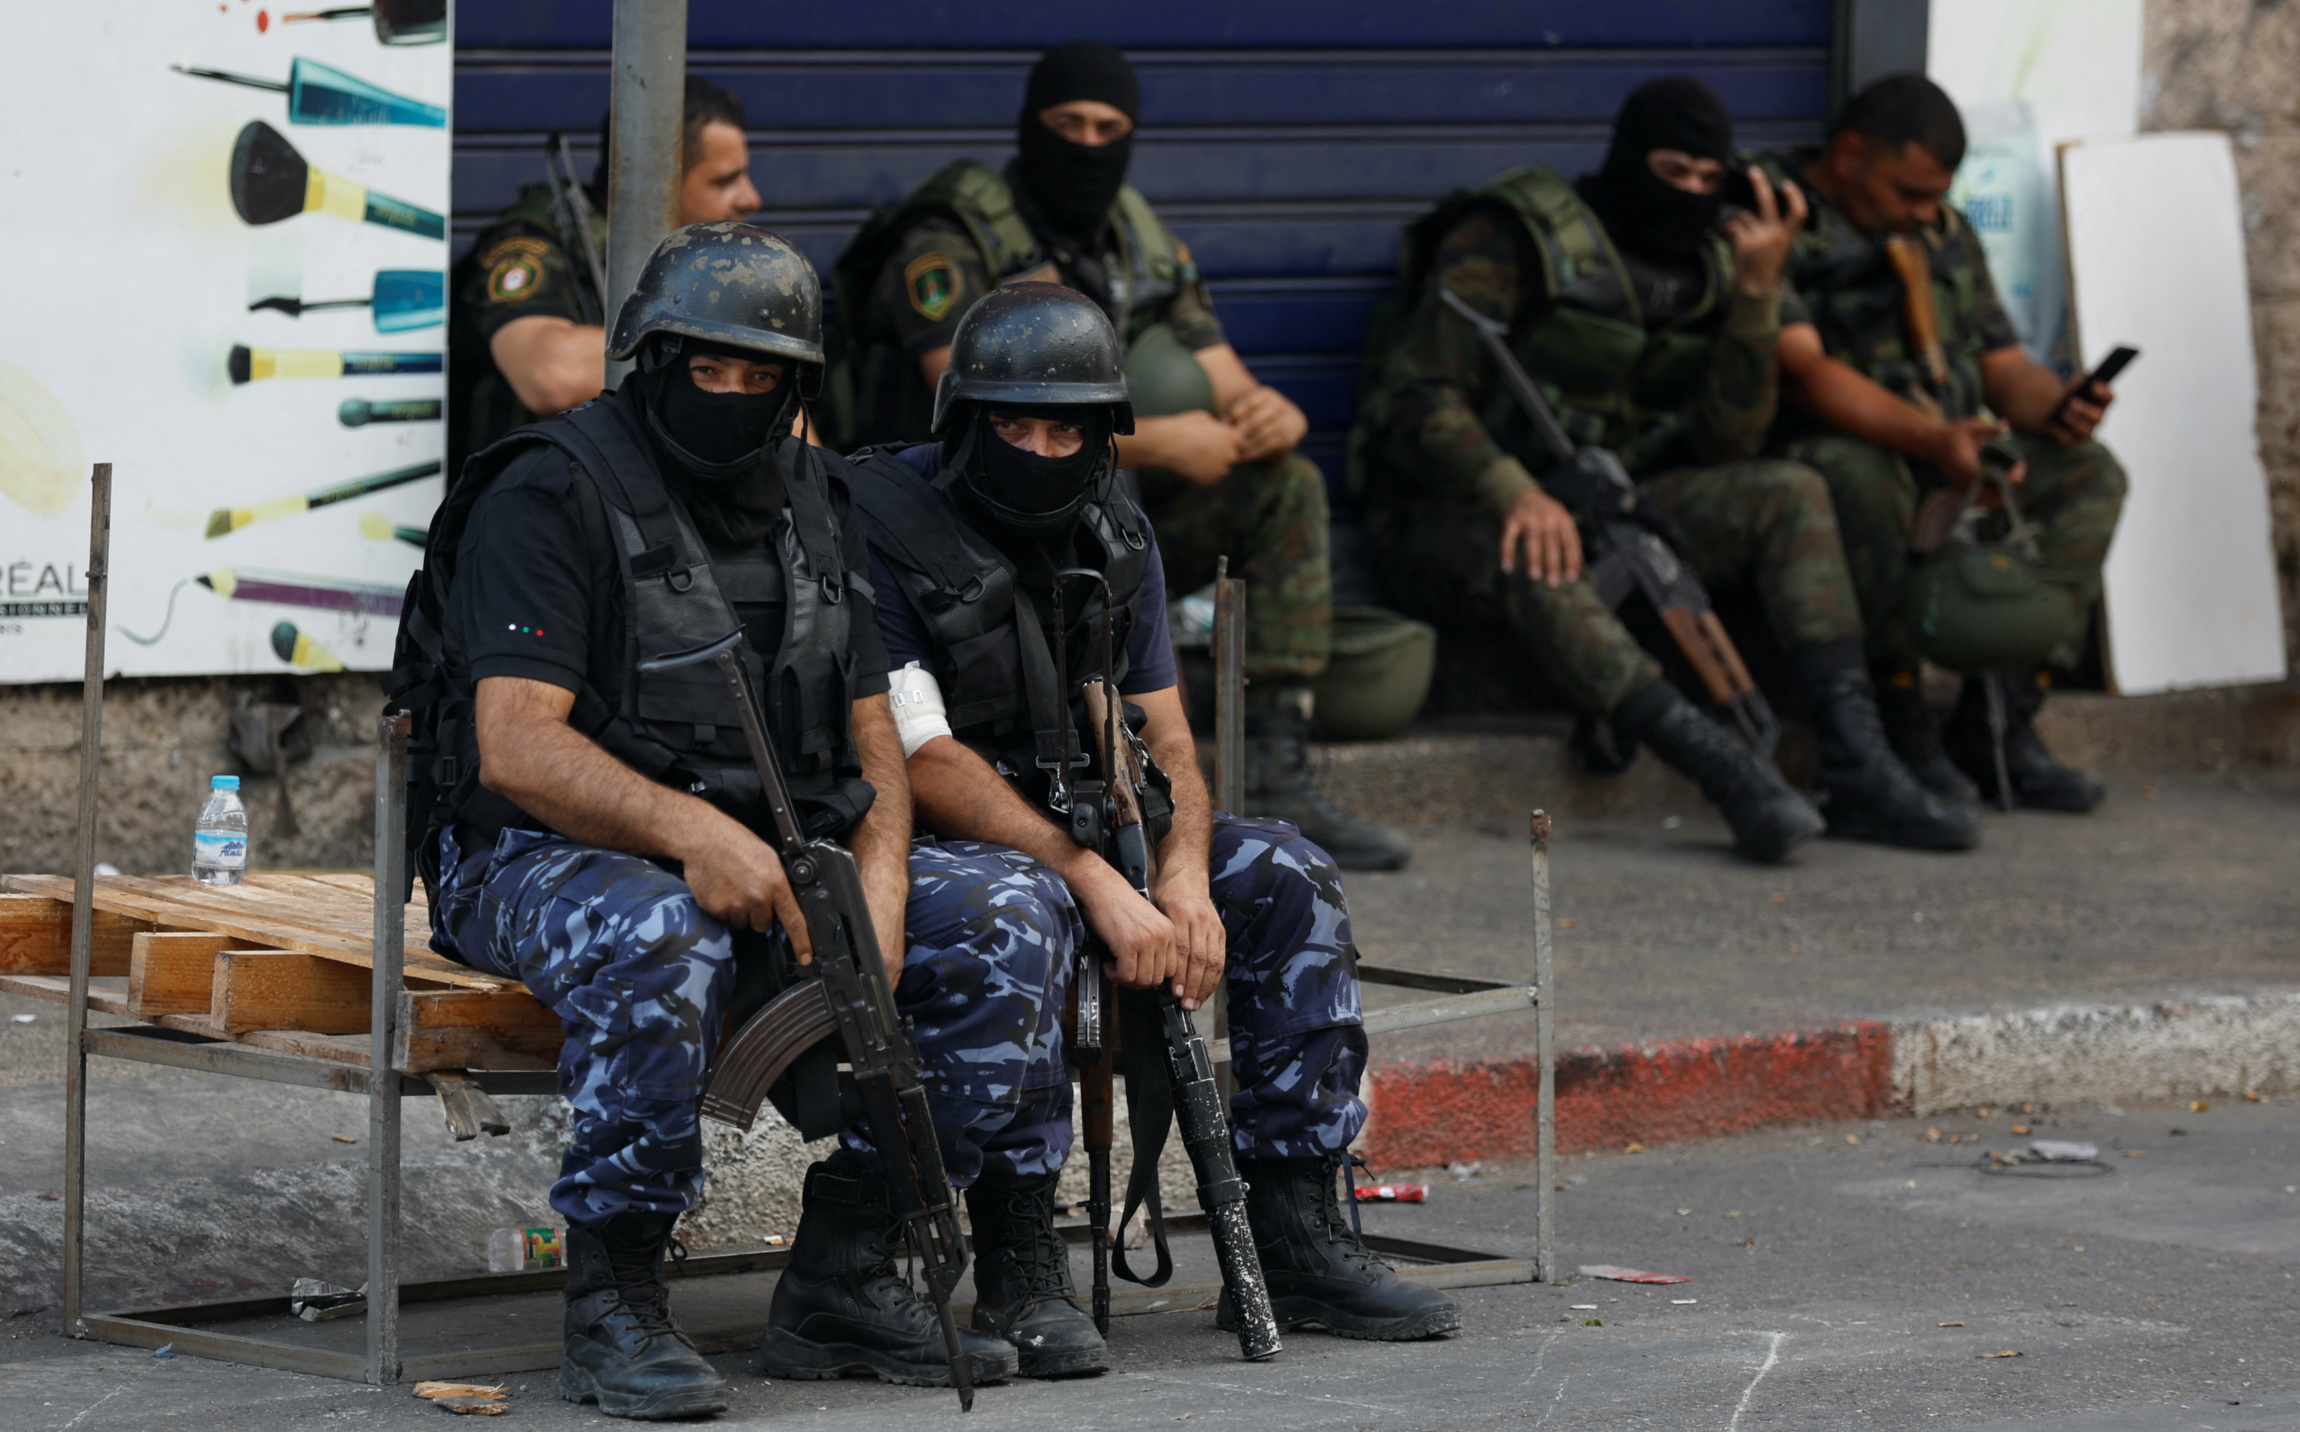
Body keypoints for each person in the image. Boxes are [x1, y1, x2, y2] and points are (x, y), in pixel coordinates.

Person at [402, 224, 1035, 1419]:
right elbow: (517, 743)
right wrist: (694, 837)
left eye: (762, 376)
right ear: (653, 359)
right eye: (709, 369)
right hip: (535, 853)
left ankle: (845, 1271)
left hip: (782, 846)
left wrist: (882, 888)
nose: (735, 396)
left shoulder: (814, 495)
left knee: (1008, 910)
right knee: (658, 930)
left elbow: (868, 730)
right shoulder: (551, 488)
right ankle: (615, 1300)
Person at [848, 283, 1464, 1374]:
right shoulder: (881, 522)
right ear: (963, 418)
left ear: (1103, 434)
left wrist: (1180, 873)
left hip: (1105, 833)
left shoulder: (1112, 528)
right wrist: (1094, 878)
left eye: (1065, 429)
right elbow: (917, 752)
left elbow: (1168, 741)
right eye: (1012, 426)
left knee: (1284, 870)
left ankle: (1293, 1231)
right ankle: (1019, 1258)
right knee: (1022, 905)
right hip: (954, 841)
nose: (1039, 451)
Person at [1352, 77, 1977, 858]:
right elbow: (1419, 397)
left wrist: (1755, 298)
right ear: (1627, 159)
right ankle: (1723, 769)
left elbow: (1729, 445)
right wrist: (1513, 488)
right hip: (1452, 515)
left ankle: (1854, 759)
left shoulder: (1718, 260)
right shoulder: (1511, 236)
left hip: (1620, 501)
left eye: (1707, 180)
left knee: (1789, 491)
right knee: (1543, 552)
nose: (1687, 195)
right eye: (1671, 172)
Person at [831, 40, 1413, 872]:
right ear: (1031, 126)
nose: (1089, 145)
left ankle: (1278, 750)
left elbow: (1230, 379)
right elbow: (966, 394)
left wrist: (1268, 418)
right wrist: (1164, 439)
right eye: (1069, 123)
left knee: (1284, 485)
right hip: (951, 497)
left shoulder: (1133, 234)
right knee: (1062, 463)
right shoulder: (951, 234)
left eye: (1111, 127)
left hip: (1097, 473)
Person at [1761, 74, 2125, 811]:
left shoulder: (1942, 231)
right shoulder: (1778, 211)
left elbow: (2003, 369)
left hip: (1950, 444)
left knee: (2088, 473)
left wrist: (2061, 405)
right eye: (1909, 192)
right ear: (1851, 153)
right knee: (1859, 474)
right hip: (1839, 447)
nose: (1926, 213)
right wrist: (1932, 441)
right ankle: (1898, 715)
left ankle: (2003, 717)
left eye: (1936, 196)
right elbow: (1802, 371)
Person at [446, 76, 765, 484]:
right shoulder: (538, 243)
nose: (750, 198)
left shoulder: (705, 266)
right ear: (654, 182)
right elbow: (550, 375)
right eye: (724, 180)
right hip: (531, 507)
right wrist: (706, 350)